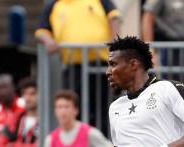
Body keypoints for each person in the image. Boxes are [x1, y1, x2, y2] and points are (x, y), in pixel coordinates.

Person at [36, 0, 122, 134]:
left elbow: (114, 17)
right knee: (74, 108)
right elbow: (41, 31)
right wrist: (49, 40)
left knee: (102, 109)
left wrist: (115, 42)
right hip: (72, 66)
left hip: (100, 65)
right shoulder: (53, 4)